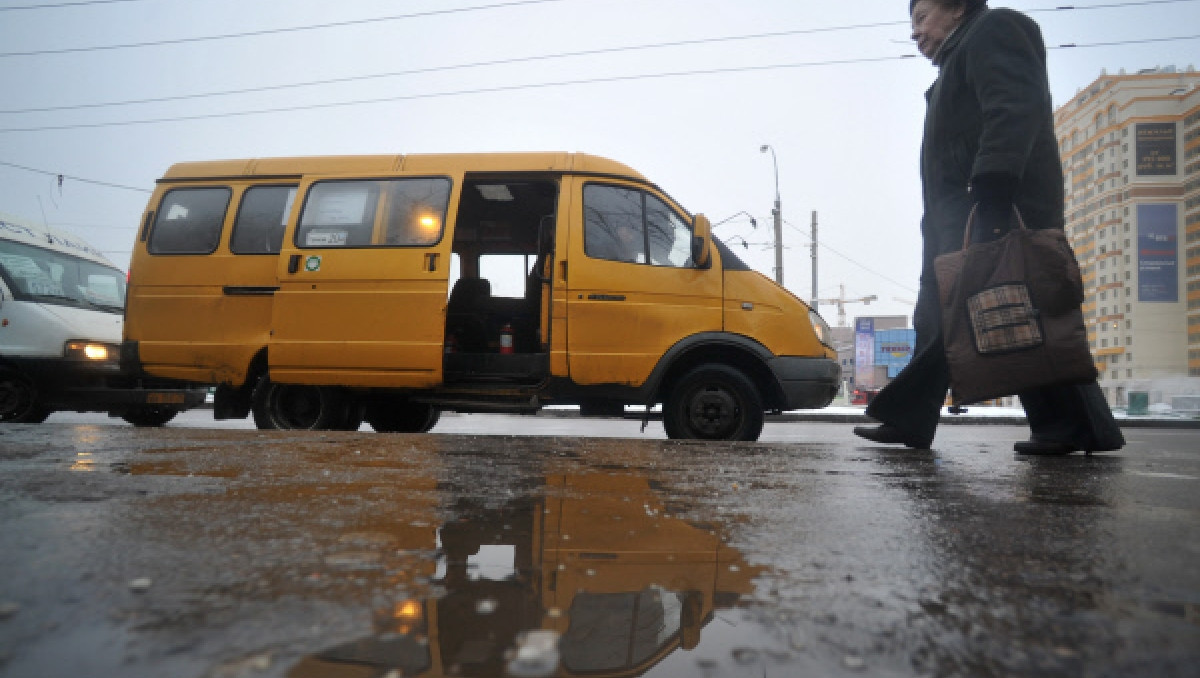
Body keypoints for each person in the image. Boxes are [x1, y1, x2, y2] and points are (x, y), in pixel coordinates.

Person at [853, 0, 1125, 455]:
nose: (915, 33)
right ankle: (910, 419)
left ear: (957, 7)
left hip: (992, 210)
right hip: (956, 220)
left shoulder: (996, 29)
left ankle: (1075, 425)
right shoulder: (957, 60)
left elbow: (1013, 104)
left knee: (1023, 317)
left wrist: (995, 188)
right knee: (946, 319)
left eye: (921, 18)